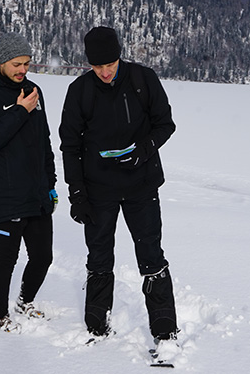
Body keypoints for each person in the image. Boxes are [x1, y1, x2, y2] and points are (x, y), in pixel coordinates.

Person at [59, 26, 178, 343]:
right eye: (97, 66)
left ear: (119, 56)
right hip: (98, 190)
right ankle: (97, 327)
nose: (105, 72)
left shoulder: (142, 80)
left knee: (151, 254)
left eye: (110, 64)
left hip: (141, 184)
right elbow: (70, 145)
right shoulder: (79, 91)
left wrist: (143, 150)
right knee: (98, 257)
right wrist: (77, 193)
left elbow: (165, 124)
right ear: (88, 63)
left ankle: (165, 328)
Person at [0, 32, 57, 333]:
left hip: (36, 192)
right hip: (4, 194)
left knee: (43, 257)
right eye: (17, 64)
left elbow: (44, 141)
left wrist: (51, 182)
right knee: (6, 259)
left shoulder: (34, 91)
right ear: (3, 61)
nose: (23, 70)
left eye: (27, 64)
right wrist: (19, 112)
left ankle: (24, 301)